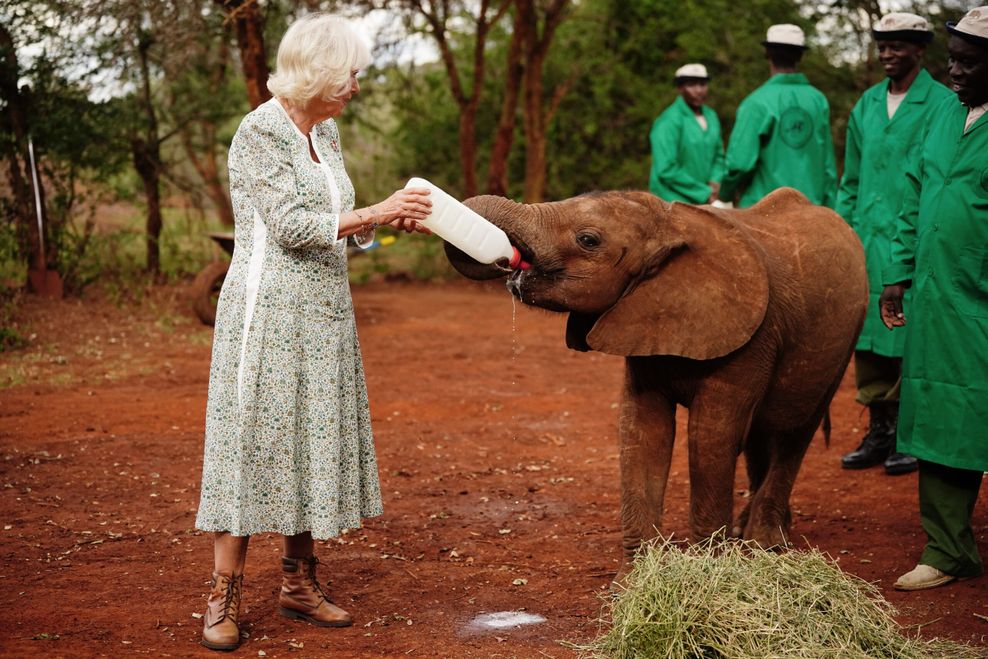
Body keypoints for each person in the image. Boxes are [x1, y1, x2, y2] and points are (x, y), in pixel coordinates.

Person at [193, 13, 433, 651]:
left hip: (325, 311)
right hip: (266, 315)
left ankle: (299, 582)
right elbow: (293, 226)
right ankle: (222, 595)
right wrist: (374, 212)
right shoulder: (259, 131)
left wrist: (382, 222)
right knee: (251, 442)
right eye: (350, 72)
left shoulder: (323, 133)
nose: (356, 84)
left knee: (311, 435)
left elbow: (333, 217)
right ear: (320, 72)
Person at [879, 6, 988, 591]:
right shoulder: (947, 115)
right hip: (940, 300)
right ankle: (948, 549)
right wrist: (897, 272)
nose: (954, 73)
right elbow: (914, 191)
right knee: (943, 414)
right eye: (953, 59)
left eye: (969, 63)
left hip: (981, 299)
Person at [837, 13, 952, 476]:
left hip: (914, 239)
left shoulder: (942, 103)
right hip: (866, 239)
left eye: (898, 45)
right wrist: (842, 232)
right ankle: (880, 431)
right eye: (882, 44)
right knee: (867, 337)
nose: (887, 52)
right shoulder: (867, 104)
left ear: (920, 50)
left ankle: (911, 434)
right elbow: (851, 178)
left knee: (911, 334)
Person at [719, 24, 837, 208]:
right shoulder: (818, 100)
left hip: (763, 217)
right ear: (800, 56)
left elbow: (740, 164)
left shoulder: (756, 102)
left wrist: (724, 194)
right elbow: (827, 166)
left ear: (767, 54)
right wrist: (829, 210)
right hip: (811, 213)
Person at [648, 63, 725, 204]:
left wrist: (715, 181)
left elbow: (719, 156)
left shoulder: (711, 116)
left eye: (703, 84)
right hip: (672, 202)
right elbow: (666, 169)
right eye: (691, 85)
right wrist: (704, 192)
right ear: (680, 88)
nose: (699, 90)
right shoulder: (668, 121)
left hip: (706, 200)